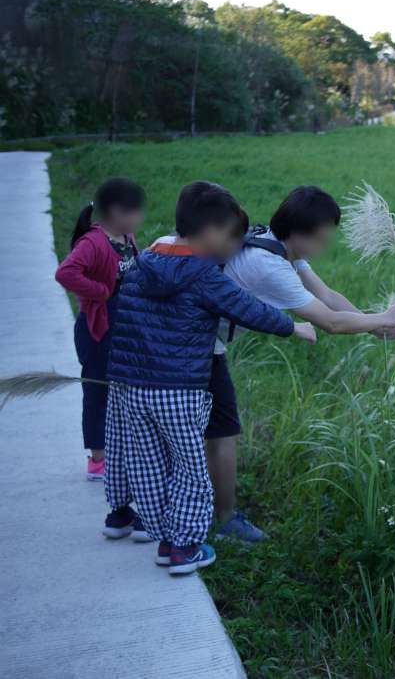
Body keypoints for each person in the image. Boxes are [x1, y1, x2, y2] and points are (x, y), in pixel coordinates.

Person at [101, 181, 317, 575]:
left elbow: (124, 320)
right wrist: (293, 328)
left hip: (129, 388)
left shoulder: (144, 259)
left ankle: (164, 536)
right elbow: (246, 308)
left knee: (150, 468)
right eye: (233, 236)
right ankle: (184, 548)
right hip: (179, 389)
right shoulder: (203, 274)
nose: (235, 246)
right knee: (190, 471)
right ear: (214, 231)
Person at [181, 185, 395, 542]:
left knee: (209, 431)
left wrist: (378, 328)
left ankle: (204, 510)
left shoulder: (274, 243)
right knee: (221, 434)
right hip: (193, 348)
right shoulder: (270, 266)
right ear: (302, 234)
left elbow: (329, 297)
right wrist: (383, 317)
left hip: (198, 343)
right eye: (322, 239)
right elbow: (330, 323)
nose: (325, 247)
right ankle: (221, 521)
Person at [55, 178, 145, 482]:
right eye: (135, 211)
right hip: (98, 329)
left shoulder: (127, 237)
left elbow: (138, 269)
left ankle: (118, 450)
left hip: (124, 326)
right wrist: (100, 291)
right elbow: (65, 272)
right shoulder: (93, 242)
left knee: (122, 390)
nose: (139, 217)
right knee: (97, 391)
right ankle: (97, 459)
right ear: (116, 212)